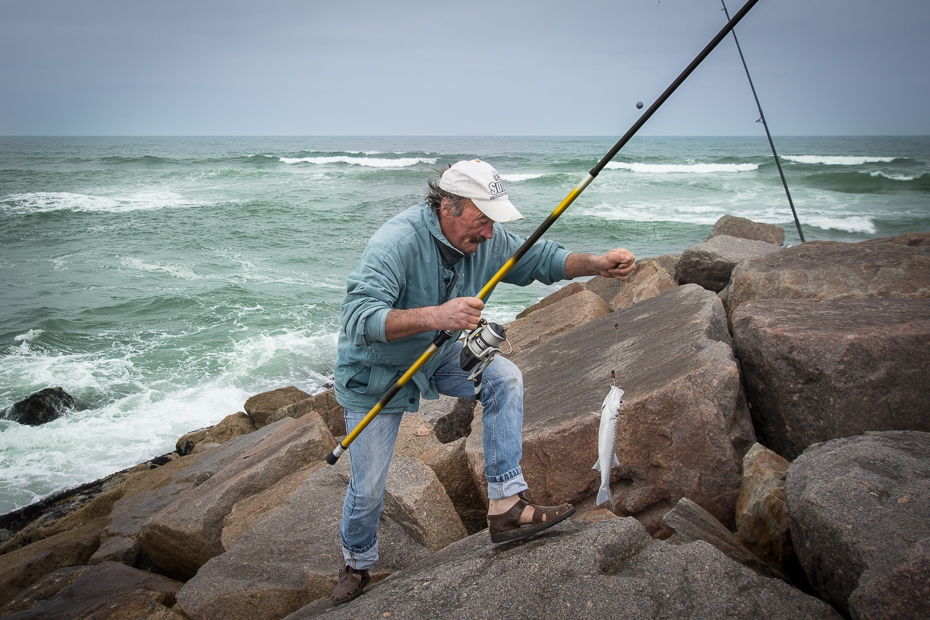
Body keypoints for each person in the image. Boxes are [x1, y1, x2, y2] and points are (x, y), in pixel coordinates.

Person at [331, 159, 635, 605]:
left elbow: (539, 258)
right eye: (481, 220)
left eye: (494, 221)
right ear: (447, 205)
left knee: (504, 377)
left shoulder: (485, 237)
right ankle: (356, 563)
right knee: (370, 486)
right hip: (375, 373)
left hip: (437, 355)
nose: (490, 234)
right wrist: (438, 314)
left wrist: (595, 263)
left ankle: (506, 505)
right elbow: (359, 318)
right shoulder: (396, 242)